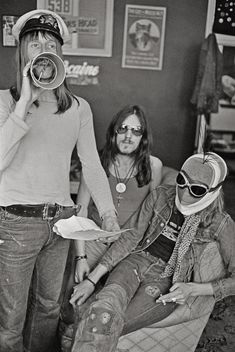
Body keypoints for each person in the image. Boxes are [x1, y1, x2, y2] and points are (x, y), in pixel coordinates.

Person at [0, 9, 119, 352]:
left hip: (61, 223)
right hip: (15, 223)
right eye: (33, 42)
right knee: (11, 316)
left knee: (49, 308)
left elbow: (92, 165)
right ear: (22, 51)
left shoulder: (78, 108)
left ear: (59, 55)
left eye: (49, 42)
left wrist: (108, 213)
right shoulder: (6, 101)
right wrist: (25, 102)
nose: (41, 48)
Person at [69, 152, 235, 352]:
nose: (183, 191)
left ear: (212, 191)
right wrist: (92, 280)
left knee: (103, 324)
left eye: (196, 189)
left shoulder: (220, 223)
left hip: (166, 280)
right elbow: (130, 238)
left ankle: (73, 334)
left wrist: (192, 289)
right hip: (134, 263)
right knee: (102, 313)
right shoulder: (161, 195)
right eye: (181, 180)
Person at [59, 104, 163, 333]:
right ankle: (65, 338)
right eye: (123, 128)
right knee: (70, 298)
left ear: (143, 137)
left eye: (136, 131)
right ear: (113, 131)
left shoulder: (153, 166)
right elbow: (81, 210)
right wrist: (81, 256)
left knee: (107, 300)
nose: (128, 136)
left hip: (129, 246)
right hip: (94, 240)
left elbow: (150, 218)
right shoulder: (95, 163)